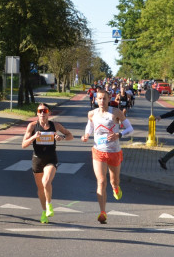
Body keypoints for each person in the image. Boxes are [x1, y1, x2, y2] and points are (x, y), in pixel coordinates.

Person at [81, 89, 133, 224]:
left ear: (109, 99)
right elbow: (90, 127)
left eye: (104, 98)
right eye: (99, 99)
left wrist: (119, 134)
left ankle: (116, 187)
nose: (102, 101)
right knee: (101, 181)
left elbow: (130, 129)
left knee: (113, 181)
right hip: (98, 151)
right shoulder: (92, 114)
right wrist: (86, 135)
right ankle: (102, 212)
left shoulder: (115, 112)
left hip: (114, 152)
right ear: (95, 100)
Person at [21, 104, 73, 224]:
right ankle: (44, 212)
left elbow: (70, 135)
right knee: (40, 189)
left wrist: (62, 138)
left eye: (45, 111)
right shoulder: (32, 126)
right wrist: (34, 137)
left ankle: (49, 205)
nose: (43, 113)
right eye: (40, 111)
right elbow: (23, 144)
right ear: (37, 113)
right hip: (37, 159)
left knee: (46, 182)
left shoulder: (55, 125)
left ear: (49, 113)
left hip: (51, 159)